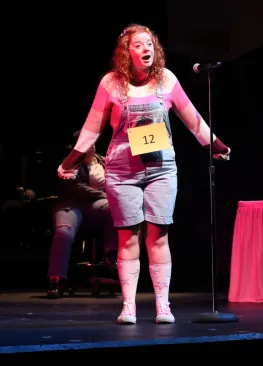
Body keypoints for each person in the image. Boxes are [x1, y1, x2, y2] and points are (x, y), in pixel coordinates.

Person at [57, 24, 230, 322]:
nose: (146, 49)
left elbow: (193, 118)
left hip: (161, 168)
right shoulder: (110, 83)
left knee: (159, 236)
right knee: (127, 238)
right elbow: (92, 127)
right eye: (138, 45)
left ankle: (163, 305)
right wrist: (70, 162)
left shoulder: (167, 80)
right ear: (127, 52)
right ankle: (129, 306)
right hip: (123, 171)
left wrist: (215, 145)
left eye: (149, 43)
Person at [47, 134, 118, 298]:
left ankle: (111, 254)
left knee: (114, 208)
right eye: (87, 143)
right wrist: (105, 195)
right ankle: (56, 279)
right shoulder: (69, 163)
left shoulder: (102, 161)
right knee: (63, 233)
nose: (91, 146)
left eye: (92, 143)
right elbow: (77, 188)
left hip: (96, 205)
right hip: (71, 205)